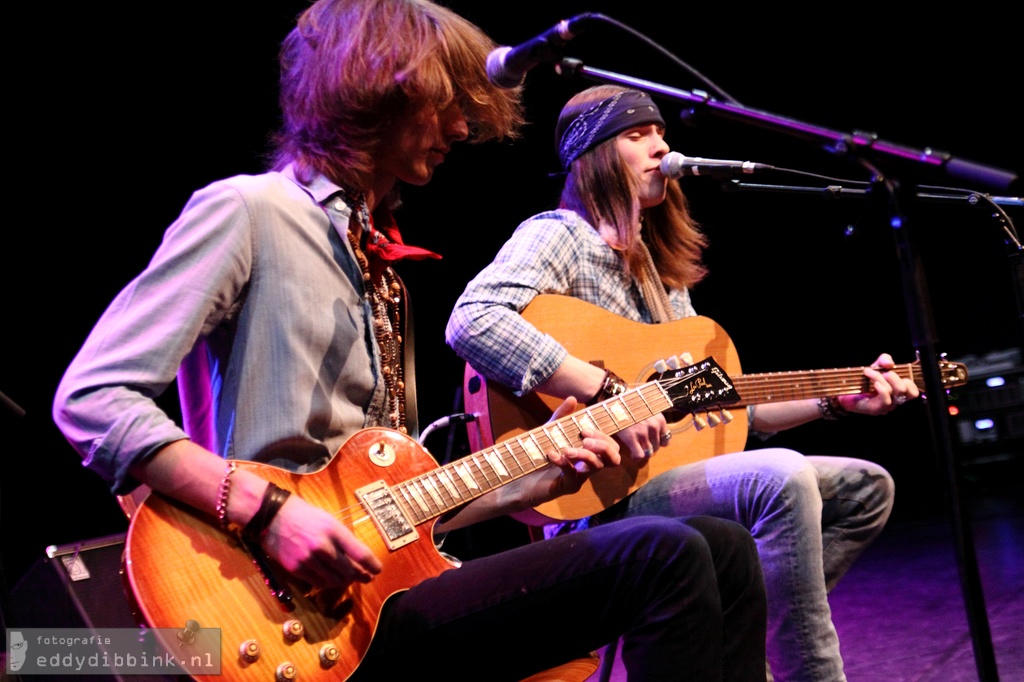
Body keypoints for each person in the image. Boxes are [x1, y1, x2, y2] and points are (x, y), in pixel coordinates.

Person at [52, 4, 769, 681]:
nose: (461, 128)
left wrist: (547, 473)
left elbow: (400, 503)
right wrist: (268, 510)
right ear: (375, 92)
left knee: (724, 546)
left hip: (384, 587)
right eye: (446, 103)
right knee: (662, 552)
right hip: (275, 605)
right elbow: (92, 398)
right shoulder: (251, 211)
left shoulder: (376, 262)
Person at [447, 84, 921, 682]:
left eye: (660, 132)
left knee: (865, 488)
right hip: (596, 492)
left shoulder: (658, 269)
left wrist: (835, 400)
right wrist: (606, 392)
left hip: (671, 477)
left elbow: (720, 408)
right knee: (782, 475)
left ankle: (741, 635)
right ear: (593, 153)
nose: (660, 145)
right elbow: (474, 318)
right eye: (636, 135)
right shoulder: (559, 235)